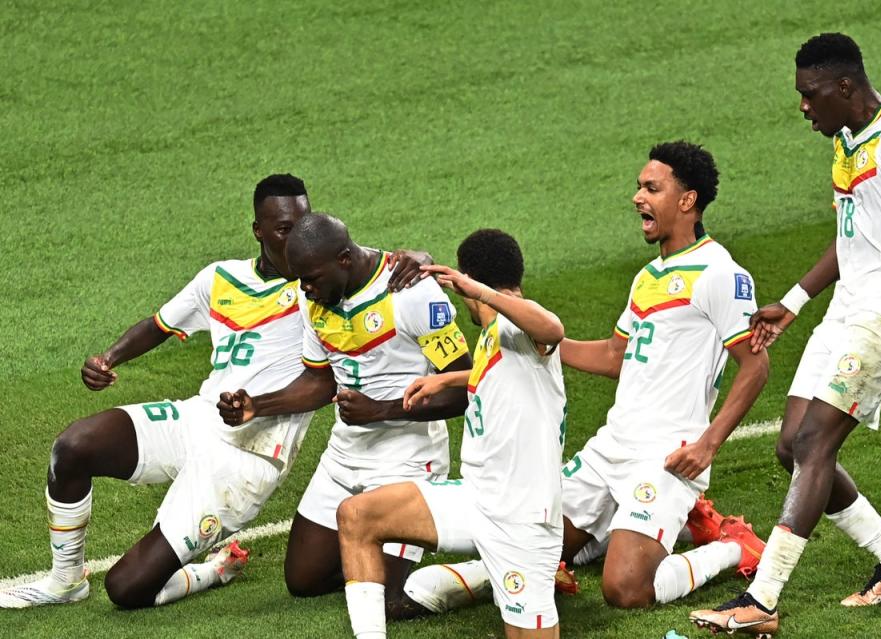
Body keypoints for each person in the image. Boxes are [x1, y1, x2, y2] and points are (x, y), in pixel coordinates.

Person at [0, 175, 429, 610]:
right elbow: (159, 324)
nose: (297, 237)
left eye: (302, 223)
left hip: (247, 457)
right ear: (258, 230)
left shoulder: (320, 288)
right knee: (74, 446)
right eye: (283, 228)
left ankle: (214, 569)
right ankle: (64, 581)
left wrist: (417, 258)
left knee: (126, 589)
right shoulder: (220, 278)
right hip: (200, 419)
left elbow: (369, 268)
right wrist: (108, 358)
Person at [691, 33, 881, 636]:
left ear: (845, 87)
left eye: (810, 95)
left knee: (814, 443)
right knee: (791, 448)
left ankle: (762, 601)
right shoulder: (845, 140)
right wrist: (793, 301)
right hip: (844, 311)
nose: (803, 106)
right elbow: (851, 233)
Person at [217, 212, 472, 617]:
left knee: (388, 600)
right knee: (305, 582)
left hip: (405, 460)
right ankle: (373, 560)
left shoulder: (410, 293)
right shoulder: (313, 293)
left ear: (345, 260)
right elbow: (320, 382)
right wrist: (257, 406)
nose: (306, 289)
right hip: (345, 456)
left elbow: (465, 389)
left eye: (313, 278)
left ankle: (483, 576)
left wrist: (380, 411)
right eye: (300, 280)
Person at [557, 141, 769, 611]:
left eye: (652, 188)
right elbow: (616, 355)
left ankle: (732, 545)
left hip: (667, 455)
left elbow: (756, 367)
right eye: (639, 187)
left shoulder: (720, 273)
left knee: (626, 589)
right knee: (536, 554)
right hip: (612, 447)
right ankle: (615, 529)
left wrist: (708, 443)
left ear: (687, 200)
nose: (638, 197)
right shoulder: (648, 276)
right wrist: (550, 344)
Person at [334, 229, 567, 639]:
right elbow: (501, 373)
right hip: (475, 498)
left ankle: (522, 576)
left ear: (470, 280)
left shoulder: (519, 326)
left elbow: (552, 330)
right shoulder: (495, 337)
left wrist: (482, 292)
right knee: (357, 515)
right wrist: (447, 380)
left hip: (522, 523)